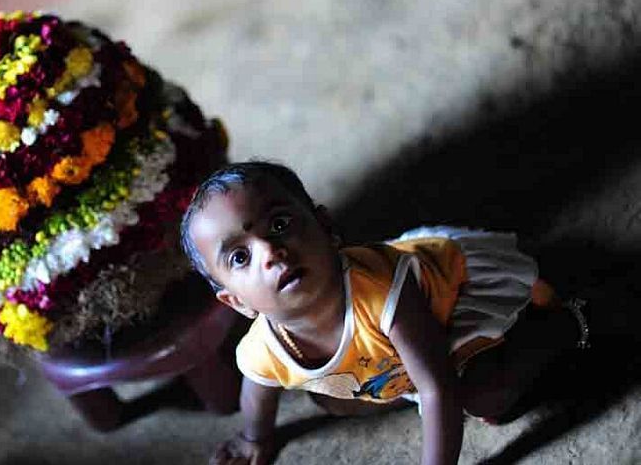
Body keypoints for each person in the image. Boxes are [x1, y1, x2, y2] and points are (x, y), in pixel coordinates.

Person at [179, 161, 589, 465]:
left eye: (281, 223)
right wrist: (256, 439)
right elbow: (257, 391)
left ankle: (569, 323)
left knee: (485, 398)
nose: (270, 252)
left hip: (451, 291)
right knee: (332, 401)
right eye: (239, 256)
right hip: (391, 355)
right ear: (237, 302)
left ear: (324, 226)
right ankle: (403, 381)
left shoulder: (383, 293)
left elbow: (437, 387)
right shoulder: (263, 349)